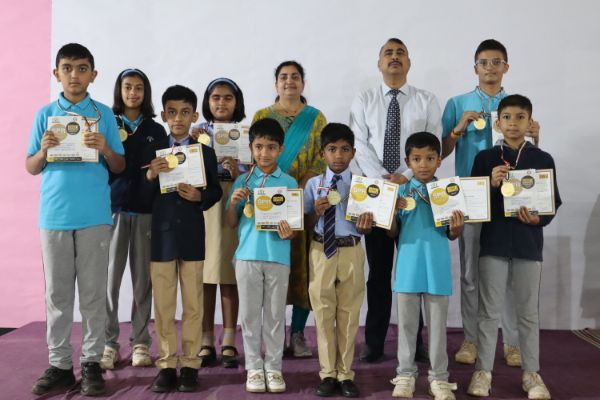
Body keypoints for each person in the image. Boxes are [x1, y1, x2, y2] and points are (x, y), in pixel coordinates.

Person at [26, 43, 125, 396]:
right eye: (67, 68)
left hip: (95, 216)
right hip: (54, 216)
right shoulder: (45, 115)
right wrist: (43, 150)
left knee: (94, 293)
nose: (74, 75)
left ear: (93, 75)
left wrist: (105, 148)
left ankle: (92, 362)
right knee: (57, 294)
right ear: (57, 73)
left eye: (82, 68)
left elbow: (119, 165)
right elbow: (31, 166)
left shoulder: (104, 115)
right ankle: (60, 365)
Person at [441, 39, 540, 367]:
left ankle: (512, 343)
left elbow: (530, 153)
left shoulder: (515, 106)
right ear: (475, 68)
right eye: (484, 62)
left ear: (506, 67)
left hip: (510, 194)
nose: (490, 68)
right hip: (470, 193)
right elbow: (440, 151)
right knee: (471, 272)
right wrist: (458, 130)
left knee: (509, 270)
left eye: (497, 62)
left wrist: (537, 136)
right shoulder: (457, 103)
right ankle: (471, 339)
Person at [349, 38, 442, 363]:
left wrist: (406, 175)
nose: (394, 57)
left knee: (412, 272)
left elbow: (433, 142)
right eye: (388, 53)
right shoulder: (364, 99)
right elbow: (359, 143)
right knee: (378, 272)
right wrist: (384, 179)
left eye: (400, 52)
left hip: (415, 191)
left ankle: (415, 343)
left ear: (409, 62)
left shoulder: (427, 100)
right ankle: (374, 342)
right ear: (379, 63)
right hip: (376, 192)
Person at [467, 94, 561, 400]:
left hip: (528, 244)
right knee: (488, 313)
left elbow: (551, 203)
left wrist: (538, 220)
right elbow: (472, 204)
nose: (513, 123)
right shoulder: (485, 158)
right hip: (493, 244)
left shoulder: (542, 159)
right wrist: (490, 184)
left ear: (530, 122)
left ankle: (532, 374)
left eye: (520, 117)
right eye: (506, 117)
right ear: (498, 123)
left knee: (528, 313)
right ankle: (483, 371)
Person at [142, 85, 222, 393]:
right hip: (161, 238)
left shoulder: (205, 153)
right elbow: (140, 195)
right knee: (163, 305)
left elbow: (215, 191)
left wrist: (200, 196)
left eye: (185, 112)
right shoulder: (153, 151)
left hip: (192, 236)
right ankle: (165, 364)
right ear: (164, 115)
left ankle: (190, 364)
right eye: (172, 112)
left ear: (194, 115)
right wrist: (150, 176)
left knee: (193, 303)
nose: (178, 118)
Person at [253, 60, 326, 357]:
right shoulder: (262, 116)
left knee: (302, 267)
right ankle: (273, 333)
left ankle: (297, 333)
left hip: (302, 201)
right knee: (271, 266)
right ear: (276, 84)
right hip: (268, 202)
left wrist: (306, 181)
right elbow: (255, 155)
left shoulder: (316, 119)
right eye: (283, 77)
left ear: (303, 83)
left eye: (295, 77)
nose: (289, 81)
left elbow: (322, 157)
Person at [388, 132, 463, 400]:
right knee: (407, 326)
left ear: (439, 161)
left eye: (430, 158)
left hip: (437, 267)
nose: (423, 164)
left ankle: (439, 378)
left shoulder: (448, 192)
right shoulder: (399, 191)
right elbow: (392, 232)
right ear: (408, 161)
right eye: (417, 159)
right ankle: (405, 374)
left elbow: (452, 234)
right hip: (408, 267)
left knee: (438, 327)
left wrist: (457, 227)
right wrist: (389, 212)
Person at [101, 68, 167, 370]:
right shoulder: (107, 123)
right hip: (112, 210)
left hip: (145, 212)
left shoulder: (156, 130)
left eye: (139, 88)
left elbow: (163, 171)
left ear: (145, 92)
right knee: (109, 281)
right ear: (120, 90)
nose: (133, 93)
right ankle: (108, 344)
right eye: (127, 87)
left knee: (143, 282)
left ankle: (140, 342)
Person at [225, 118, 297, 393]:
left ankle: (274, 367)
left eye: (271, 147)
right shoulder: (242, 180)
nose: (264, 153)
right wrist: (233, 203)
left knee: (276, 316)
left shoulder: (289, 182)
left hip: (278, 257)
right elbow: (231, 222)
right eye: (259, 147)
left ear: (280, 149)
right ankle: (254, 367)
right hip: (247, 256)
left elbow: (293, 230)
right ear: (251, 148)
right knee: (250, 315)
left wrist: (289, 232)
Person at [304, 123, 373, 398]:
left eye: (345, 149)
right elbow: (305, 223)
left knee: (349, 312)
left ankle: (345, 373)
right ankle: (327, 373)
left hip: (351, 249)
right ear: (322, 153)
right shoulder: (313, 184)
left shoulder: (363, 186)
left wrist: (367, 225)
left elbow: (368, 227)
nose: (338, 155)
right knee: (323, 311)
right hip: (321, 249)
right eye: (332, 149)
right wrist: (316, 212)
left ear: (353, 152)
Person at [190, 78, 246, 368]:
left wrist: (239, 172)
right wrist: (195, 146)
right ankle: (205, 339)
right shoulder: (196, 132)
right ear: (207, 102)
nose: (221, 102)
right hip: (203, 205)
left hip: (232, 203)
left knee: (228, 272)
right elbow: (187, 169)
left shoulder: (245, 135)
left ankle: (229, 340)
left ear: (237, 102)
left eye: (227, 97)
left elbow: (254, 173)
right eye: (216, 97)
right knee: (205, 273)